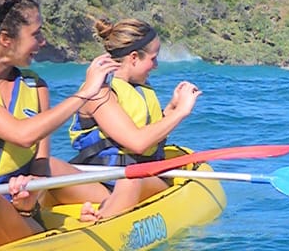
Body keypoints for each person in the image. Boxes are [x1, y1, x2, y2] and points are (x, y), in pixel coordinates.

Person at [0, 0, 118, 247]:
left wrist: (28, 202)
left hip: (20, 215)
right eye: (36, 34)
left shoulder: (36, 87)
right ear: (5, 39)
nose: (43, 42)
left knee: (77, 182)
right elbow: (23, 135)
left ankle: (100, 217)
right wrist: (83, 93)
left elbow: (40, 164)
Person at [62, 17, 202, 222]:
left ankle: (101, 218)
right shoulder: (99, 92)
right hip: (100, 182)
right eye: (153, 58)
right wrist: (182, 112)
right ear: (134, 57)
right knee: (44, 165)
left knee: (130, 179)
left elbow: (144, 134)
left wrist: (171, 110)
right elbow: (138, 142)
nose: (155, 65)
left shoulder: (138, 87)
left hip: (142, 180)